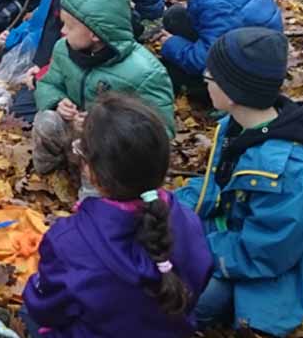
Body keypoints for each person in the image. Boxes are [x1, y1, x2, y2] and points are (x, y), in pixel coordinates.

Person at [174, 28, 303, 337]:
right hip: (234, 234)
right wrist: (170, 208)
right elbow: (218, 186)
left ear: (231, 92)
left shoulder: (288, 173)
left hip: (267, 264)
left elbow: (266, 252)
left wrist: (193, 247)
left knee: (188, 301)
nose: (204, 78)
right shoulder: (238, 126)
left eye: (210, 74)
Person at [22, 92, 213, 338]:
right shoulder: (188, 220)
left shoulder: (68, 241)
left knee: (27, 311)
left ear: (92, 172)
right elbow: (201, 277)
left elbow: (45, 307)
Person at [32, 0, 175, 180]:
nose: (62, 31)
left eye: (70, 27)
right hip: (74, 130)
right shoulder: (64, 49)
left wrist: (100, 128)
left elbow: (161, 131)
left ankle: (96, 200)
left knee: (102, 164)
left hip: (113, 148)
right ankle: (49, 176)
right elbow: (48, 82)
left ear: (95, 34)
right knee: (46, 121)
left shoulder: (145, 72)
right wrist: (57, 102)